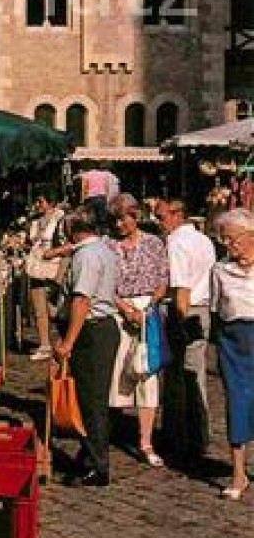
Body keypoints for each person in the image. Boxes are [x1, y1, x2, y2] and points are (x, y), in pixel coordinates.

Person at [54, 203, 121, 486]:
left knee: (91, 399)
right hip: (100, 329)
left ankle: (97, 464)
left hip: (91, 331)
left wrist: (68, 341)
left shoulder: (87, 256)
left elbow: (82, 300)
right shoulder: (103, 250)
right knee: (90, 396)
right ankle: (89, 451)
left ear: (74, 228)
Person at [105, 194, 170, 467]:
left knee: (148, 375)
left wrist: (146, 309)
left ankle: (145, 441)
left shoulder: (154, 244)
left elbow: (163, 280)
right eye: (115, 219)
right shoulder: (108, 246)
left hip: (147, 311)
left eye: (124, 218)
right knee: (117, 372)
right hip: (119, 310)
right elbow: (105, 284)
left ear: (135, 216)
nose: (119, 224)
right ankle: (111, 432)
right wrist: (124, 309)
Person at [158, 198, 217, 469]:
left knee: (178, 377)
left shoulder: (176, 242)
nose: (159, 223)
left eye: (161, 217)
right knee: (196, 375)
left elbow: (181, 287)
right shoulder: (204, 240)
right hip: (203, 309)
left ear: (176, 215)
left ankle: (180, 439)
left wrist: (179, 321)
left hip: (186, 309)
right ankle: (199, 435)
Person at [210, 208, 254, 500]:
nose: (229, 244)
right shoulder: (220, 269)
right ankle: (238, 474)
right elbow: (216, 309)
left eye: (233, 239)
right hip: (233, 343)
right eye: (225, 239)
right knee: (237, 404)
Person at [23, 193, 67, 360]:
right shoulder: (35, 220)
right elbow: (32, 242)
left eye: (40, 201)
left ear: (51, 202)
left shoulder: (60, 219)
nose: (37, 204)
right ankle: (44, 345)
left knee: (55, 310)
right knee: (39, 308)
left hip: (53, 268)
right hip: (36, 267)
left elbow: (68, 245)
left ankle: (64, 341)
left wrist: (53, 253)